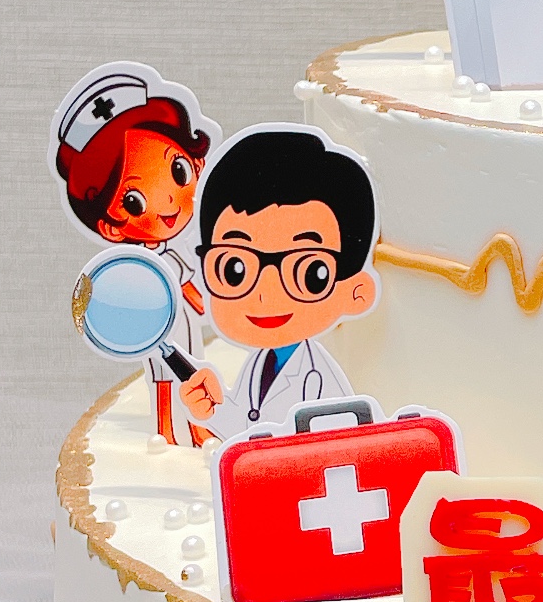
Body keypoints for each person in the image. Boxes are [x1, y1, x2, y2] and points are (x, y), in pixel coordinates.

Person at [52, 64, 218, 445]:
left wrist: (206, 305)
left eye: (178, 172)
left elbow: (190, 289)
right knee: (162, 377)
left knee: (192, 370)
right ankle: (167, 429)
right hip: (151, 326)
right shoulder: (136, 268)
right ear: (110, 227)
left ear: (197, 163)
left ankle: (196, 426)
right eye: (134, 201)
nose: (168, 203)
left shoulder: (176, 253)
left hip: (183, 325)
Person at [180, 124, 381, 438]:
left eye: (310, 274)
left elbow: (329, 449)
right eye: (235, 269)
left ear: (356, 291)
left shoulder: (320, 381)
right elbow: (250, 429)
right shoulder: (261, 361)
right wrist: (215, 410)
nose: (266, 294)